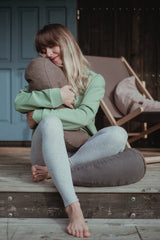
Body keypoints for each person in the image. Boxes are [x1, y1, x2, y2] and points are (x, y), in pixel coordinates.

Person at [14, 23, 128, 238]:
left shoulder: (94, 80)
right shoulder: (46, 75)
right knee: (51, 123)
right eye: (43, 50)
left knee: (118, 134)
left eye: (51, 46)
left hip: (81, 150)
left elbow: (84, 116)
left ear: (66, 43)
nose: (48, 54)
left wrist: (37, 115)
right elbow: (19, 102)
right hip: (43, 152)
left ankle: (56, 170)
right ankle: (73, 206)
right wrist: (56, 96)